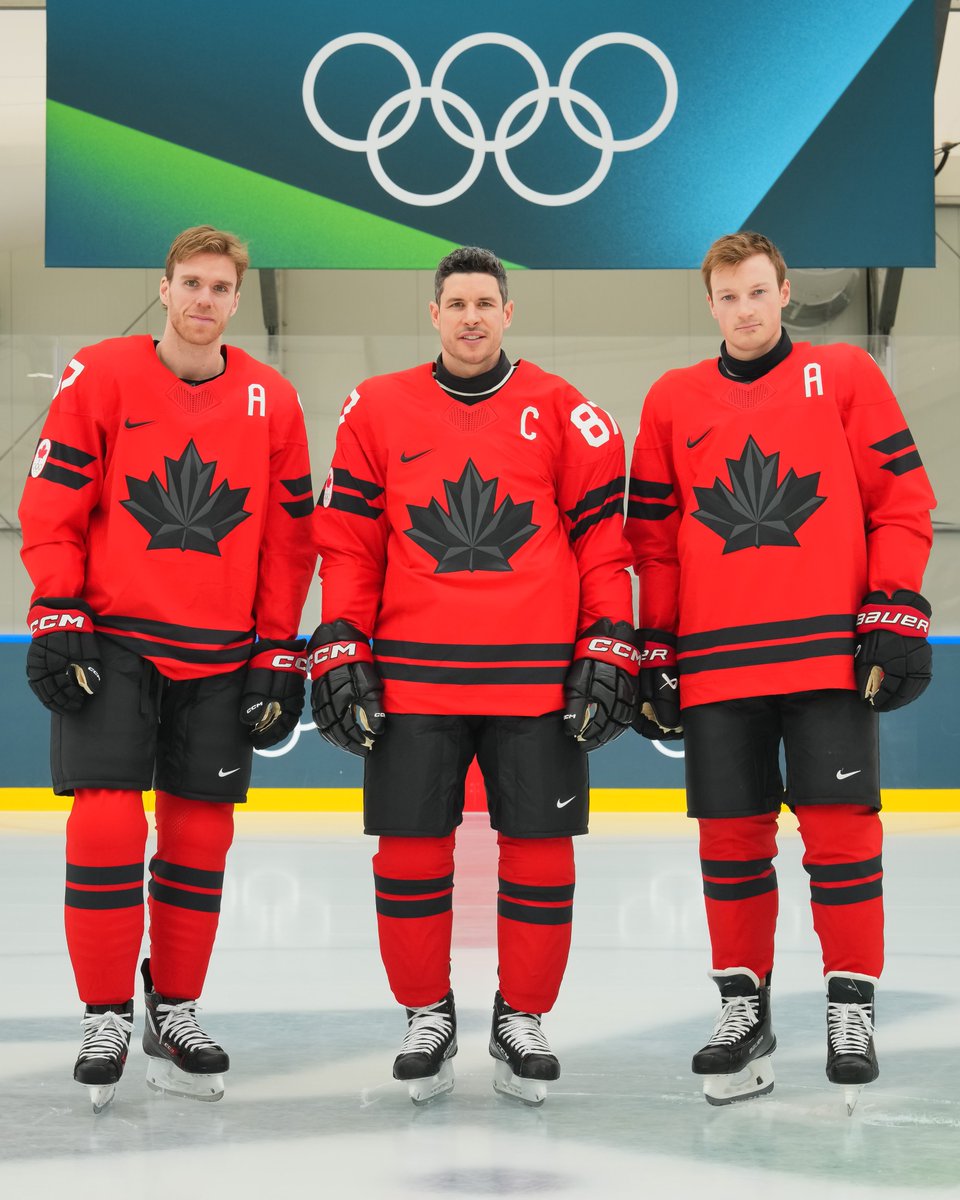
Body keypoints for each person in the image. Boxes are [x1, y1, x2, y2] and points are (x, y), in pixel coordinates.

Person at [310, 246, 637, 1105]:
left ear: (508, 313)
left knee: (540, 858)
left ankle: (520, 1017)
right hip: (414, 681)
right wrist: (341, 634)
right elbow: (349, 543)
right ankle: (427, 1013)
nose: (470, 317)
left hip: (536, 682)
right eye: (455, 302)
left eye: (485, 302)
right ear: (433, 314)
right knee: (411, 857)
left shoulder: (565, 411)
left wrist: (609, 637)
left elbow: (604, 542)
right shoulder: (377, 407)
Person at [627, 230, 936, 1111]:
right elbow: (652, 538)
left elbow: (903, 501)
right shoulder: (673, 399)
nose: (745, 310)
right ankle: (743, 1011)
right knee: (730, 845)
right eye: (728, 297)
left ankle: (851, 1005)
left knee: (841, 838)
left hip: (826, 658)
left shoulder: (842, 376)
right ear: (712, 304)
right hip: (719, 664)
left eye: (758, 292)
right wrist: (656, 646)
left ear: (785, 290)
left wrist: (894, 603)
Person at [19, 225, 315, 1111]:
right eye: (190, 283)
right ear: (163, 288)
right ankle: (106, 1011)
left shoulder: (274, 400)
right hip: (113, 639)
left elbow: (291, 540)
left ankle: (174, 1007)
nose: (203, 300)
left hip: (223, 654)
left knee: (200, 839)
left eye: (221, 288)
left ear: (235, 300)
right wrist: (56, 604)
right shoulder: (101, 373)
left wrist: (278, 644)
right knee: (106, 826)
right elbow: (54, 497)